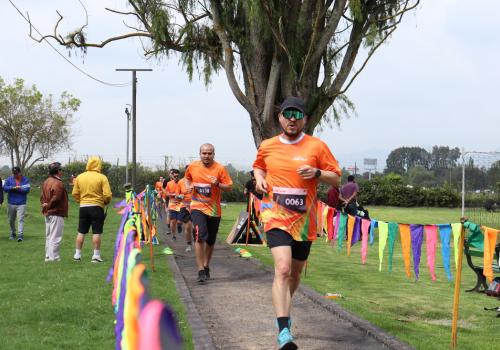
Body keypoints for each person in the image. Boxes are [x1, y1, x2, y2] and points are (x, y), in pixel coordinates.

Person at [253, 96, 341, 350]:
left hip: (304, 221)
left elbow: (336, 177)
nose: (292, 118)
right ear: (279, 117)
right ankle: (284, 332)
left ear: (305, 119)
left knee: (295, 272)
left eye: (297, 114)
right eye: (287, 113)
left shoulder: (317, 146)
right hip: (275, 215)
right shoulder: (267, 145)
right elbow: (258, 167)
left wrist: (316, 173)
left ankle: (284, 310)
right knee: (282, 269)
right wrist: (259, 179)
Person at [185, 143, 233, 283]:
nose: (206, 156)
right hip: (197, 207)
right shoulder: (192, 166)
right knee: (199, 236)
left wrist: (217, 184)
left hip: (213, 210)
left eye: (209, 153)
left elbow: (229, 187)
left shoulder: (220, 169)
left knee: (211, 240)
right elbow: (187, 178)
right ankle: (200, 270)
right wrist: (189, 186)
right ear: (200, 153)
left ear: (213, 154)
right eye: (204, 153)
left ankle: (206, 266)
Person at [72, 156, 112, 263]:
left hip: (83, 207)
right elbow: (107, 194)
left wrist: (80, 201)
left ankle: (77, 255)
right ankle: (96, 256)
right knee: (96, 232)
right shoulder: (102, 177)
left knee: (81, 231)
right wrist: (105, 201)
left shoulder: (80, 177)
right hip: (97, 206)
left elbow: (75, 193)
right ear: (99, 164)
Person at [40, 162, 68, 262]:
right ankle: (54, 257)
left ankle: (48, 256)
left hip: (48, 212)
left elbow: (42, 197)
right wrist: (48, 205)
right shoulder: (58, 183)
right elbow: (56, 198)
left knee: (49, 236)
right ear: (58, 171)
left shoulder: (46, 181)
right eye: (61, 169)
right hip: (56, 212)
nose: (62, 171)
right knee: (55, 236)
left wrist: (45, 205)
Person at [4, 166, 31, 242]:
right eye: (14, 173)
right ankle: (13, 232)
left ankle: (20, 235)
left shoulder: (25, 179)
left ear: (20, 172)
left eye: (16, 173)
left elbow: (27, 189)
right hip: (11, 203)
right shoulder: (9, 179)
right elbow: (5, 188)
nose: (15, 175)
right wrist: (12, 188)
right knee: (11, 220)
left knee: (20, 219)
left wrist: (19, 188)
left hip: (21, 203)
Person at [177, 166, 193, 252]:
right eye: (188, 170)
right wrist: (180, 196)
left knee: (196, 227)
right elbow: (177, 195)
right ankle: (189, 244)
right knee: (188, 226)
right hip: (185, 206)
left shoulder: (197, 181)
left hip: (197, 206)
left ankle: (199, 242)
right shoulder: (180, 182)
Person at [165, 169, 181, 241]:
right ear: (172, 176)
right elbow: (167, 193)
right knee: (173, 221)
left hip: (181, 204)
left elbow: (185, 193)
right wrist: (173, 194)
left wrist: (181, 195)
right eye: (175, 176)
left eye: (177, 176)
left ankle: (179, 225)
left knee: (179, 221)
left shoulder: (182, 183)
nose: (176, 177)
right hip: (172, 204)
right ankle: (174, 235)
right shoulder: (169, 183)